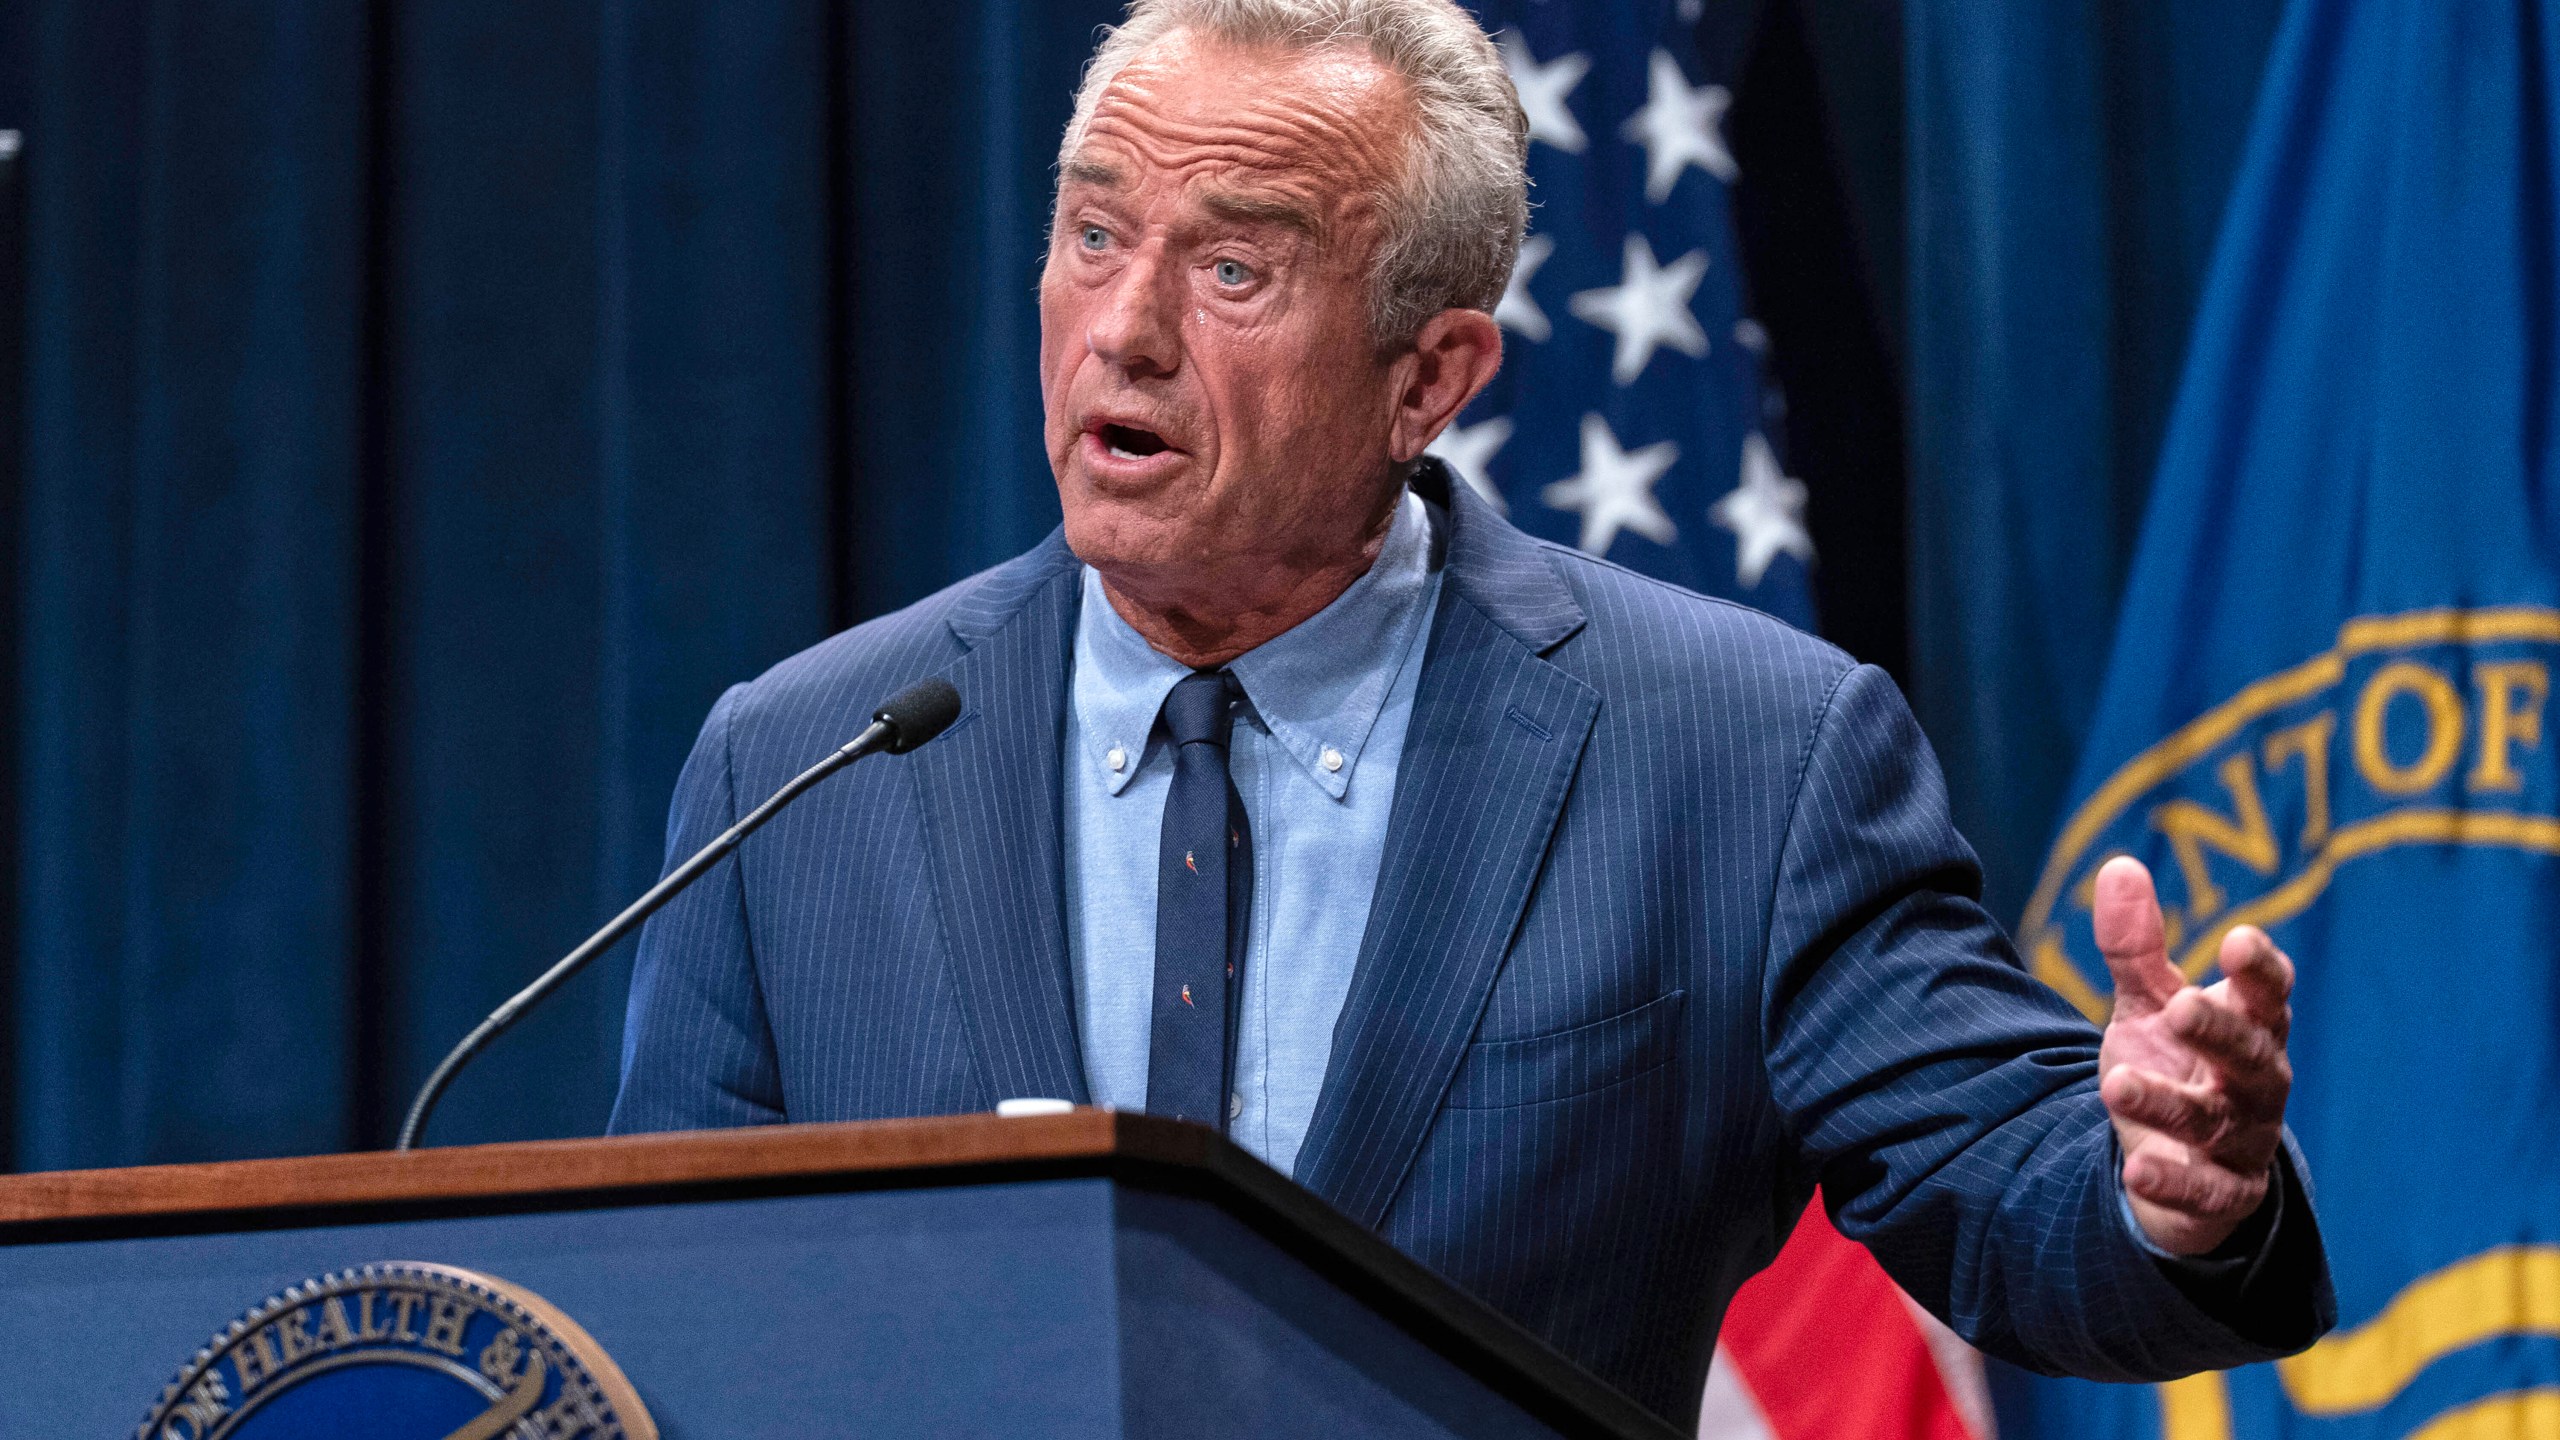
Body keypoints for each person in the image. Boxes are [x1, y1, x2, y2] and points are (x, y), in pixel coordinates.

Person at [610, 0, 2332, 1421]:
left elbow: (2004, 1181)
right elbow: (666, 1341)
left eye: (1232, 273)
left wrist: (2174, 1188)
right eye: (1092, 231)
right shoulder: (805, 764)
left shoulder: (1737, 756)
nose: (1119, 333)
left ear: (1427, 378)